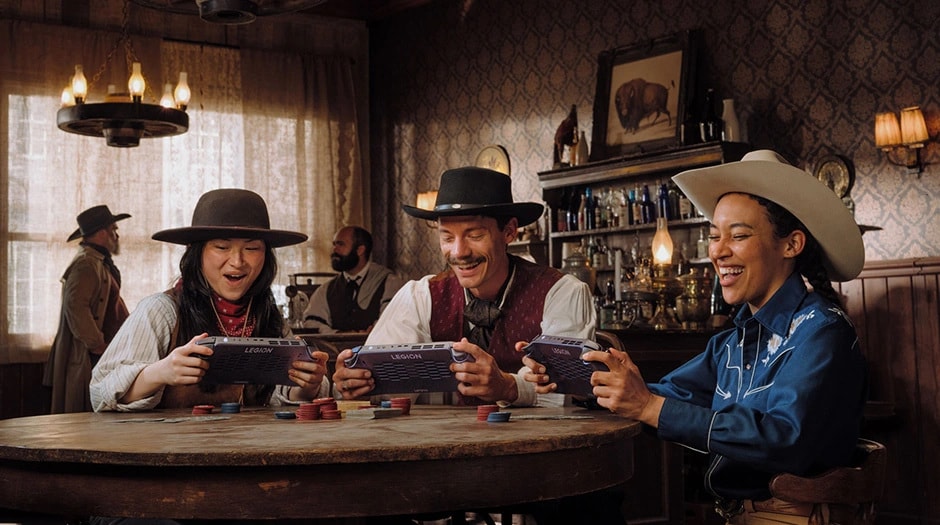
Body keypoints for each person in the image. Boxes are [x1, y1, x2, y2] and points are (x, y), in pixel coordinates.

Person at [526, 150, 869, 525]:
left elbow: (785, 439)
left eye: (738, 235)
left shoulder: (821, 332)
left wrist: (648, 406)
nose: (718, 252)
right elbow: (665, 395)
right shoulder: (732, 341)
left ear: (792, 245)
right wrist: (583, 382)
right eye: (714, 236)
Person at [332, 166, 595, 407]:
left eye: (475, 235)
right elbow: (380, 384)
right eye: (447, 237)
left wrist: (507, 386)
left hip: (542, 453)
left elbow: (569, 389)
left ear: (509, 232)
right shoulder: (421, 296)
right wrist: (359, 383)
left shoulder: (561, 293)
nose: (459, 252)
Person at [90, 188, 330, 412]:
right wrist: (159, 372)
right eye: (222, 247)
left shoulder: (267, 315)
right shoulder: (161, 310)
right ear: (198, 254)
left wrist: (306, 385)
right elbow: (100, 394)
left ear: (266, 256)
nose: (237, 261)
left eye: (252, 248)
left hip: (253, 451)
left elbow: (280, 396)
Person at [43, 205, 131, 414]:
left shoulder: (96, 262)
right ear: (102, 233)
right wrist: (96, 343)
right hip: (88, 355)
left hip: (101, 352)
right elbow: (76, 306)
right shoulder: (86, 264)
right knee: (84, 412)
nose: (116, 236)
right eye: (113, 230)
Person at [301, 226, 405, 334]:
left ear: (360, 250)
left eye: (341, 244)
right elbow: (311, 321)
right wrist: (337, 334)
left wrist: (374, 331)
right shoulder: (326, 289)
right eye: (334, 244)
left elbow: (393, 319)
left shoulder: (389, 283)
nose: (335, 249)